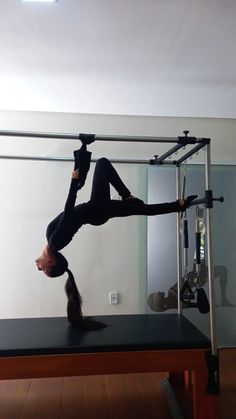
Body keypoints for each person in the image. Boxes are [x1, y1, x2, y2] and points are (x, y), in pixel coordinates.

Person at [35, 139, 197, 330]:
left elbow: (69, 214)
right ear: (52, 262)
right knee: (103, 163)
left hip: (98, 212)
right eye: (44, 271)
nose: (39, 268)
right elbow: (68, 211)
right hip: (96, 209)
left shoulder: (52, 241)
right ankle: (128, 195)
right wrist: (73, 183)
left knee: (141, 209)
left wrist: (81, 161)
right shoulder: (54, 242)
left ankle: (178, 205)